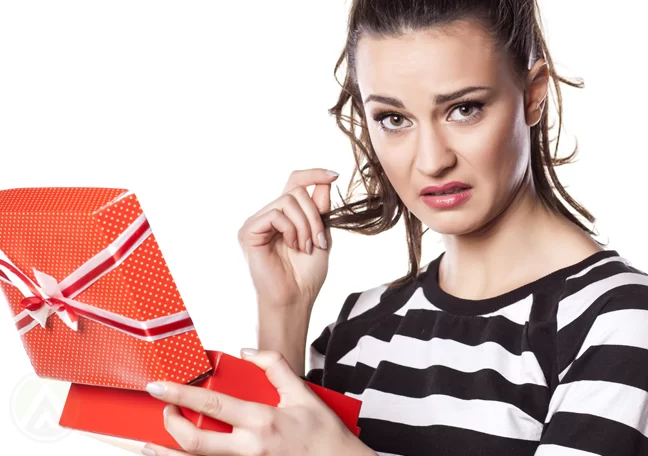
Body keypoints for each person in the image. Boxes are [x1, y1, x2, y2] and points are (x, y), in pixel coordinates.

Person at [140, 0, 648, 455]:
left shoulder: (619, 320)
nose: (431, 161)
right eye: (393, 119)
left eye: (464, 109)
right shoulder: (361, 326)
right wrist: (285, 311)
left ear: (533, 96)